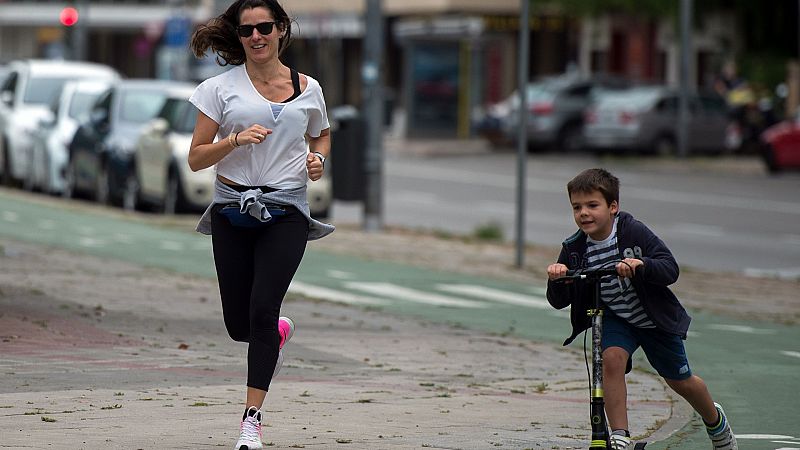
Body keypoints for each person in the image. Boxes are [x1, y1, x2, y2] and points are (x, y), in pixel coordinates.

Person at [188, 1, 334, 448]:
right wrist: (234, 140)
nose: (256, 36)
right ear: (238, 37)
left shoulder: (309, 89)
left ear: (281, 30)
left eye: (264, 27)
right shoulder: (219, 89)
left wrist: (318, 160)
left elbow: (321, 132)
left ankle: (251, 422)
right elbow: (195, 157)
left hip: (286, 212)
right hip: (233, 209)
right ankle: (278, 333)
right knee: (239, 325)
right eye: (247, 30)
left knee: (262, 310)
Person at [545, 169, 737, 450]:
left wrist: (641, 266)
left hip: (653, 319)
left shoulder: (633, 232)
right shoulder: (575, 248)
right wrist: (558, 277)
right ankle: (620, 435)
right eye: (577, 207)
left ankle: (715, 421)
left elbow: (670, 268)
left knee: (681, 381)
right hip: (616, 317)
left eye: (592, 205)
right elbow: (559, 300)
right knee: (611, 359)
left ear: (613, 207)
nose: (584, 213)